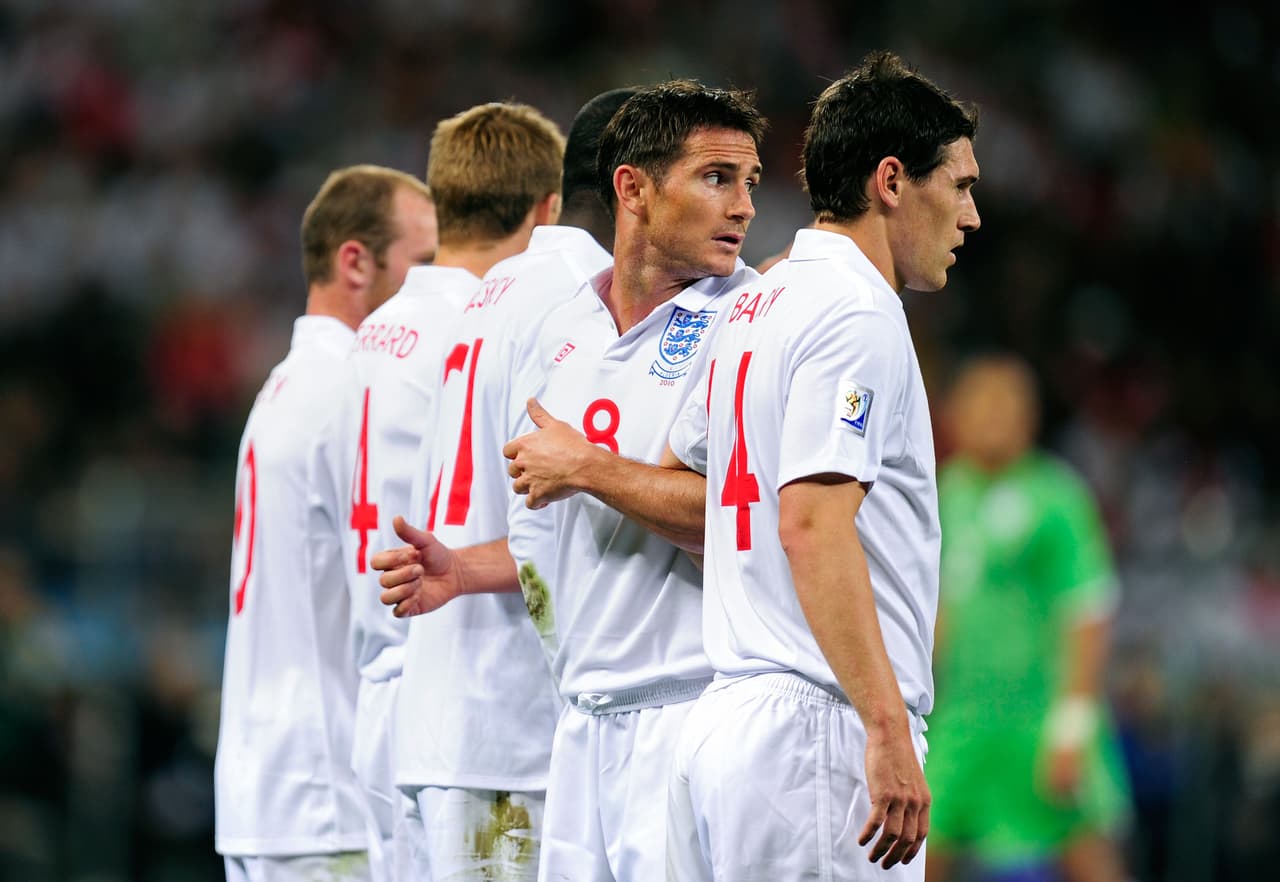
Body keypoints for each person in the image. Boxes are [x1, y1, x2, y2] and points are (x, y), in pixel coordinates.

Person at [374, 80, 767, 882]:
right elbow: (547, 538)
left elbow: (741, 521)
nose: (745, 208)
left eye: (748, 182)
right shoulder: (563, 324)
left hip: (688, 707)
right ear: (631, 188)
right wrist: (464, 568)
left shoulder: (750, 318)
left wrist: (587, 465)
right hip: (576, 723)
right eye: (718, 179)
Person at [662, 50, 980, 881]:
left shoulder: (759, 301)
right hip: (818, 728)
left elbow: (684, 473)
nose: (971, 215)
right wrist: (883, 727)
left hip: (728, 723)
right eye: (961, 184)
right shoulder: (857, 315)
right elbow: (810, 522)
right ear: (892, 181)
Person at [394, 90, 633, 881]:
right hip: (514, 723)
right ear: (635, 186)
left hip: (447, 717)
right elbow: (557, 512)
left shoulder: (490, 291)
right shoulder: (588, 294)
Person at [337, 101, 566, 882]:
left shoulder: (374, 330)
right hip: (476, 687)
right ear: (549, 210)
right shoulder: (501, 320)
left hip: (389, 701)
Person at [214, 164, 438, 882]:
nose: (440, 287)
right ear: (355, 261)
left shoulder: (286, 384)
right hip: (326, 786)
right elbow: (395, 588)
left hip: (269, 782)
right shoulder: (353, 388)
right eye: (426, 263)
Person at [924, 354, 1132, 882]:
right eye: (983, 403)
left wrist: (1073, 720)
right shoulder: (940, 494)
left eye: (1007, 403)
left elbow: (1087, 607)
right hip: (960, 718)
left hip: (1039, 715)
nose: (995, 416)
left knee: (1086, 855)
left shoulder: (1057, 497)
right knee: (918, 853)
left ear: (1030, 416)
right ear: (955, 415)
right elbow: (934, 608)